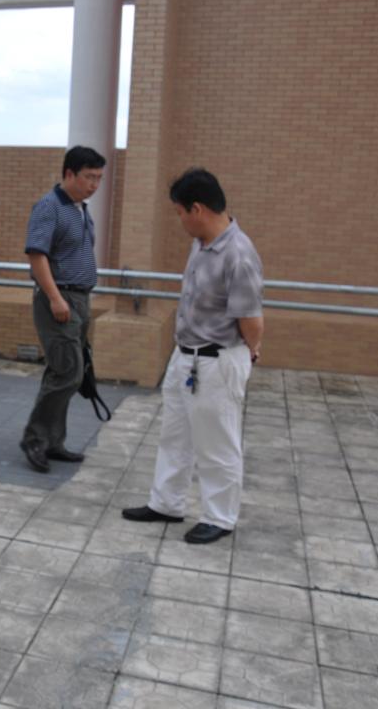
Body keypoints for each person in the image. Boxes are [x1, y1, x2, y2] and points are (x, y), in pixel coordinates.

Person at [123, 168, 264, 544]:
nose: (180, 220)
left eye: (180, 212)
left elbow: (252, 321)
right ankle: (166, 503)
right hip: (185, 356)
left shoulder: (238, 254)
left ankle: (220, 517)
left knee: (217, 443)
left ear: (197, 209)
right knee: (175, 437)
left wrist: (249, 352)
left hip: (217, 361)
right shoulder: (201, 244)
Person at [19, 146, 106, 473]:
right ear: (69, 174)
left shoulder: (81, 209)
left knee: (64, 371)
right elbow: (37, 255)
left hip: (79, 299)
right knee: (68, 372)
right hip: (59, 299)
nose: (94, 184)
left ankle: (53, 441)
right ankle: (35, 439)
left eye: (98, 178)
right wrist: (55, 298)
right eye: (89, 177)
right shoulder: (49, 207)